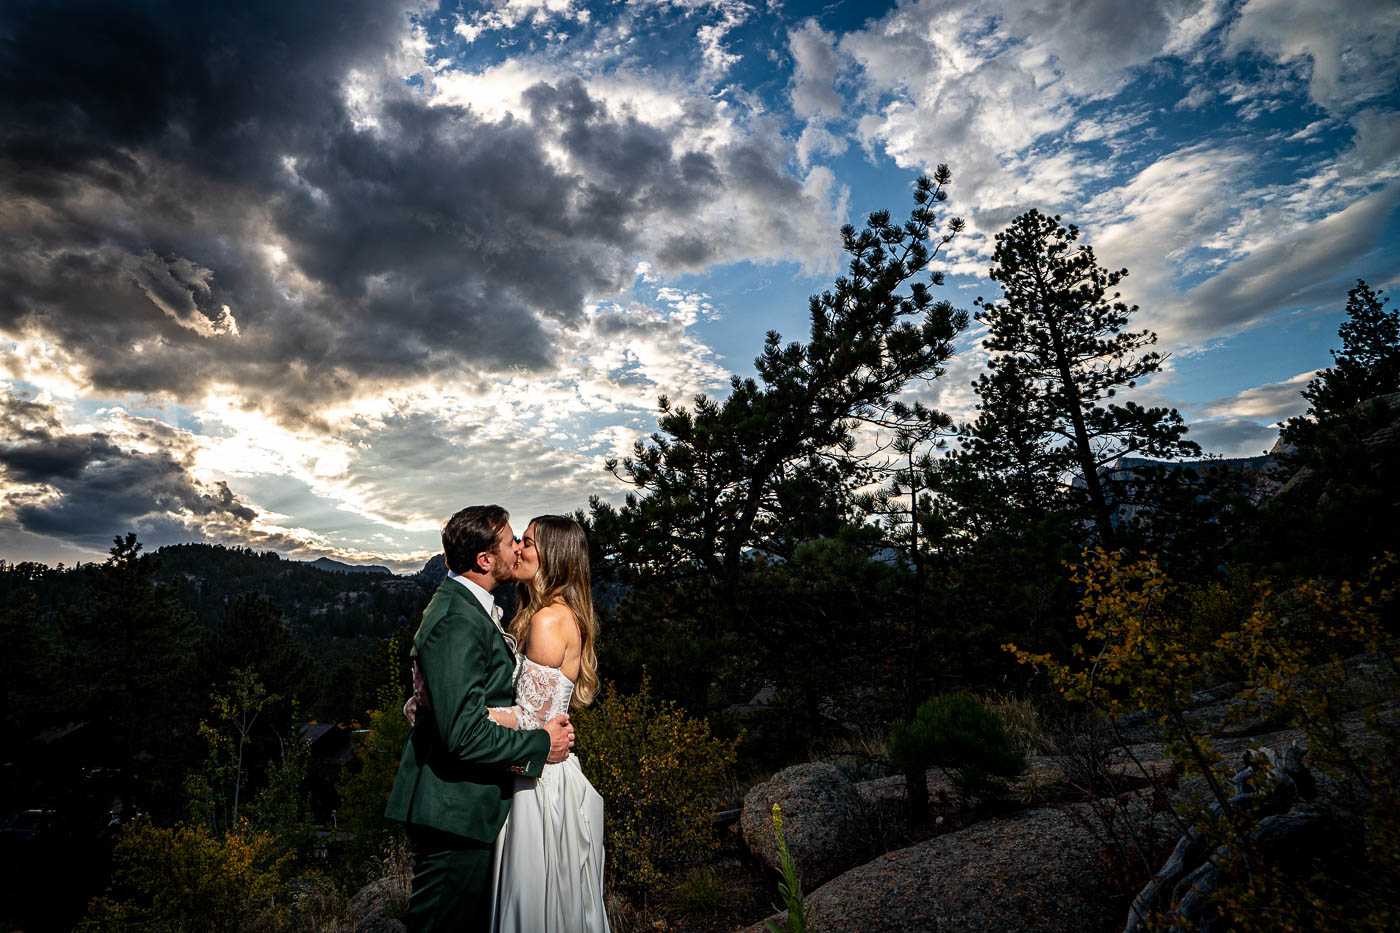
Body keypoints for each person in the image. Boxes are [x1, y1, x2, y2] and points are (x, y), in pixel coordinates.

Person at [386, 505, 576, 933]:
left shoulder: (471, 608)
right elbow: (465, 735)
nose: (518, 549)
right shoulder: (456, 618)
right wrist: (542, 744)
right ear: (485, 560)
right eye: (511, 541)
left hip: (471, 806)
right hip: (455, 809)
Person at [486, 514, 609, 932]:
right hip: (544, 772)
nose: (517, 548)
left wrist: (464, 715)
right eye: (518, 539)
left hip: (537, 784)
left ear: (553, 557)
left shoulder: (548, 620)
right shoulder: (553, 613)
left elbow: (530, 723)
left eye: (528, 542)